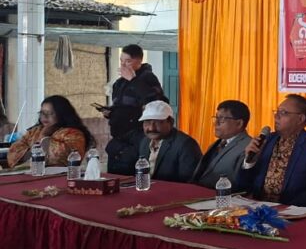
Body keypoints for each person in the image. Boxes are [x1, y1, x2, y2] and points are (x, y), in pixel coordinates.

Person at [237, 95, 306, 207]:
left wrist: (287, 207)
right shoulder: (266, 141)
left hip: (290, 211)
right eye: (277, 111)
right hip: (258, 208)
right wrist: (249, 162)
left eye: (283, 112)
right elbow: (242, 185)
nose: (276, 116)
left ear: (300, 119)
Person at [104, 44, 166, 175]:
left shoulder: (147, 78)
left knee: (132, 175)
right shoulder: (119, 83)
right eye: (121, 61)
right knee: (114, 176)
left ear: (139, 61)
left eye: (128, 61)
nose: (123, 65)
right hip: (118, 135)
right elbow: (122, 105)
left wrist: (133, 80)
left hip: (137, 135)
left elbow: (155, 102)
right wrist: (111, 112)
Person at [4, 95, 93, 167]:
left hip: (61, 177)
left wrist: (44, 136)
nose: (45, 116)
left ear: (62, 114)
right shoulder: (34, 131)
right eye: (42, 113)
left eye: (50, 113)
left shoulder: (74, 134)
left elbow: (61, 157)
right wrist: (32, 153)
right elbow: (13, 153)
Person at [192, 100, 253, 189]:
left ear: (239, 123)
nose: (215, 123)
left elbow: (241, 181)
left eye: (221, 119)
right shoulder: (217, 144)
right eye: (216, 118)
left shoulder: (248, 147)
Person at [137, 100, 201, 183]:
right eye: (147, 122)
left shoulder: (186, 145)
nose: (151, 128)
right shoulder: (145, 142)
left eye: (158, 122)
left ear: (171, 122)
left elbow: (189, 183)